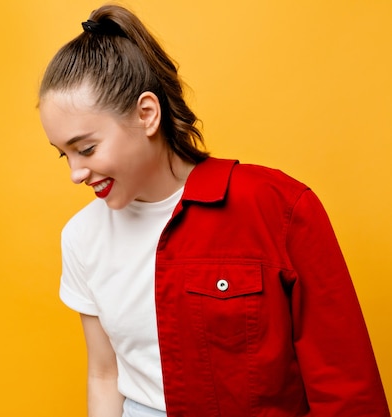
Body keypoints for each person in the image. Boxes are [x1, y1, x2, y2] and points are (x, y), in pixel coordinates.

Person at [38, 4, 390, 417]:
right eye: (64, 156)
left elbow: (346, 384)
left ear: (147, 114)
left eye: (87, 149)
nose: (76, 173)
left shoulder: (277, 206)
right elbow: (103, 374)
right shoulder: (81, 237)